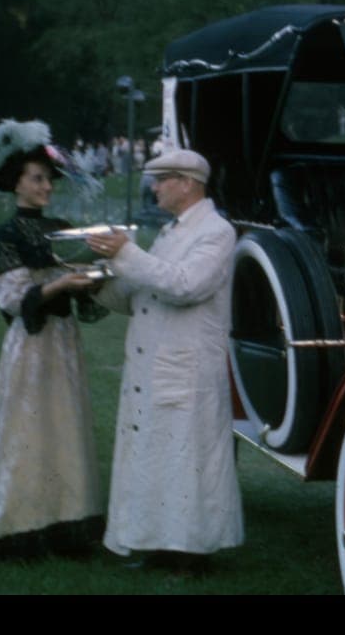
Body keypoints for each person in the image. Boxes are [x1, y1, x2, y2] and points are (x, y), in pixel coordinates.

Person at [86, 149, 243, 572]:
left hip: (187, 367)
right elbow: (143, 291)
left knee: (186, 460)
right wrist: (95, 278)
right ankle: (159, 545)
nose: (154, 187)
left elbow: (185, 285)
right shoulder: (171, 233)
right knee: (157, 457)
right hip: (156, 362)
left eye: (161, 180)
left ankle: (192, 554)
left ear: (187, 183)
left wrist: (127, 255)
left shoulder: (216, 231)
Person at [0, 119, 109, 564]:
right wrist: (62, 285)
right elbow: (12, 300)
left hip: (64, 344)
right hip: (31, 345)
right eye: (37, 179)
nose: (47, 186)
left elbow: (83, 290)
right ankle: (18, 527)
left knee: (66, 427)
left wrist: (90, 279)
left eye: (49, 178)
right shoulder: (5, 238)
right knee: (27, 429)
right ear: (17, 185)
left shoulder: (63, 229)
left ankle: (67, 523)